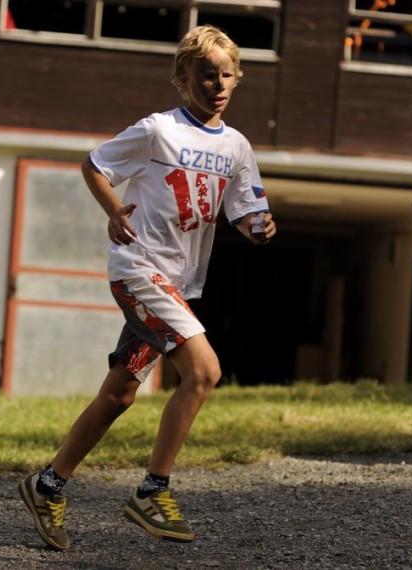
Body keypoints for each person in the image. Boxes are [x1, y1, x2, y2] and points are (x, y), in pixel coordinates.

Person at [18, 24, 276, 550]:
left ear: (238, 78)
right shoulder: (158, 130)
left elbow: (247, 213)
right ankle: (152, 491)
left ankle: (48, 485)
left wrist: (260, 228)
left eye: (227, 75)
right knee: (204, 371)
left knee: (119, 394)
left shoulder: (237, 146)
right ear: (183, 79)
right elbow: (95, 165)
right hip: (139, 272)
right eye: (207, 75)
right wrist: (115, 212)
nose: (218, 85)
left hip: (178, 285)